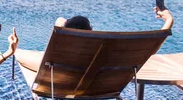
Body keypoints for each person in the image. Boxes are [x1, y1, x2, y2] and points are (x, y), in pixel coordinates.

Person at [15, 6, 174, 72]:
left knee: (18, 53)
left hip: (58, 77)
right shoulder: (107, 52)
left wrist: (11, 50)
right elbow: (153, 46)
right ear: (91, 31)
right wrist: (168, 21)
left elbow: (59, 21)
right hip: (98, 86)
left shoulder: (65, 49)